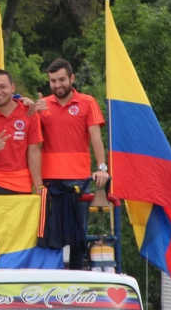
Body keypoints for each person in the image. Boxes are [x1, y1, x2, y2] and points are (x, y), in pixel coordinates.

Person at [36, 58, 109, 269]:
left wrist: (102, 168)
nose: (57, 85)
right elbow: (32, 141)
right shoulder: (44, 105)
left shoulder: (87, 102)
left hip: (79, 180)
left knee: (79, 234)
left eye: (61, 80)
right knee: (49, 233)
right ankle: (51, 280)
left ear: (72, 78)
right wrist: (33, 112)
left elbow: (96, 137)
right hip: (49, 180)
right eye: (52, 81)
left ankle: (77, 278)